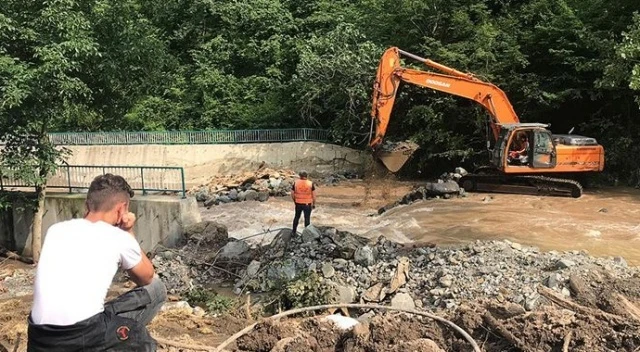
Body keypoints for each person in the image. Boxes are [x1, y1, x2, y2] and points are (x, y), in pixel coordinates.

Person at [27, 174, 167, 352]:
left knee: (101, 311)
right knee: (155, 293)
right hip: (83, 337)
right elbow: (146, 278)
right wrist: (128, 231)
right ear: (121, 209)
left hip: (40, 339)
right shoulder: (118, 238)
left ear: (87, 205)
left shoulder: (55, 230)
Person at [291, 170, 317, 234]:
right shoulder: (310, 183)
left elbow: (292, 194)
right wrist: (314, 204)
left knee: (296, 217)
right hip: (307, 204)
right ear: (306, 176)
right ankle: (307, 234)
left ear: (300, 176)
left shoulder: (295, 183)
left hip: (298, 203)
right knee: (307, 219)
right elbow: (314, 195)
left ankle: (294, 232)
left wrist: (295, 201)